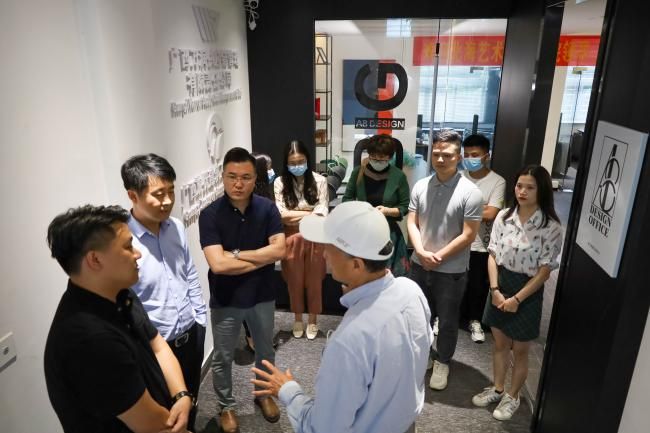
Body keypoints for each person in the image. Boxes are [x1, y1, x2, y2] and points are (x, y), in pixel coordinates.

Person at [250, 201, 433, 433]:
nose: (325, 254)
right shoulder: (411, 291)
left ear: (356, 264)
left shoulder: (350, 339)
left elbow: (323, 428)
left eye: (330, 248)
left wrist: (287, 390)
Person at [44, 205, 193, 433]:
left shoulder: (120, 293)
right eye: (128, 246)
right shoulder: (89, 339)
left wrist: (181, 395)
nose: (138, 254)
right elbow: (151, 423)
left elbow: (157, 345)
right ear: (95, 260)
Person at [198, 147, 286, 433]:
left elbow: (280, 251)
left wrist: (235, 255)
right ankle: (226, 406)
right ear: (222, 177)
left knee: (265, 350)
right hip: (226, 298)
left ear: (255, 178)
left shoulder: (267, 208)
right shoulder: (209, 215)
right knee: (222, 357)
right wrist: (260, 257)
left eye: (246, 177)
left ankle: (264, 395)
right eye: (232, 176)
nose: (238, 183)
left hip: (262, 294)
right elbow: (218, 265)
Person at [121, 154, 207, 431]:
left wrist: (200, 318)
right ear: (133, 195)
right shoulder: (123, 242)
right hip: (155, 348)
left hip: (191, 334)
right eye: (158, 194)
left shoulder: (176, 227)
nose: (168, 201)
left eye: (171, 191)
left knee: (190, 401)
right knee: (165, 418)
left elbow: (189, 272)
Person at [471, 165, 562, 421]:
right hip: (500, 284)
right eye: (519, 186)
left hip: (528, 290)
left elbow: (544, 271)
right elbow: (492, 254)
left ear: (542, 190)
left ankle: (513, 396)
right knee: (500, 344)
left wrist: (517, 299)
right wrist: (495, 290)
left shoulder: (551, 226)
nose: (522, 191)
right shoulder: (504, 217)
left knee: (520, 350)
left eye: (530, 187)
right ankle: (498, 388)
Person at [407, 129, 483, 391]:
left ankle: (443, 361)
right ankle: (426, 355)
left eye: (447, 155)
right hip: (419, 264)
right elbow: (412, 222)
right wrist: (421, 252)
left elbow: (469, 234)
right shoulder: (421, 185)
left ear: (458, 157)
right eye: (437, 153)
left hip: (451, 270)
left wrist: (438, 256)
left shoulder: (471, 192)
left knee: (448, 320)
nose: (440, 159)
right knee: (420, 317)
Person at [273, 139, 328, 340]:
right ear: (286, 163)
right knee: (294, 280)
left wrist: (296, 213)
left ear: (307, 159)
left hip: (315, 236)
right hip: (290, 237)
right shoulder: (280, 182)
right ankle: (297, 319)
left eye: (301, 161)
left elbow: (322, 213)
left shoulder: (320, 180)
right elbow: (281, 215)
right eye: (293, 163)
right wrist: (309, 212)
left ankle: (313, 319)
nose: (297, 165)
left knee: (314, 280)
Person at [459, 134, 506, 343]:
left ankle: (475, 320)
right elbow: (449, 209)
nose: (470, 158)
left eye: (475, 155)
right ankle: (446, 318)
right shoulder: (457, 177)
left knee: (477, 286)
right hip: (456, 242)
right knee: (453, 283)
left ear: (487, 156)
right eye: (467, 154)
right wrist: (480, 208)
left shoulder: (497, 181)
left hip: (481, 245)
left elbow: (491, 213)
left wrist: (462, 208)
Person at [342, 134, 411, 276]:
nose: (377, 161)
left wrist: (387, 211)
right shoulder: (358, 173)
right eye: (373, 157)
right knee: (361, 273)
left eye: (382, 158)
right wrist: (361, 210)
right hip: (361, 231)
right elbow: (347, 199)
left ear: (389, 157)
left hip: (388, 233)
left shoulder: (398, 176)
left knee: (387, 275)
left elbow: (405, 206)